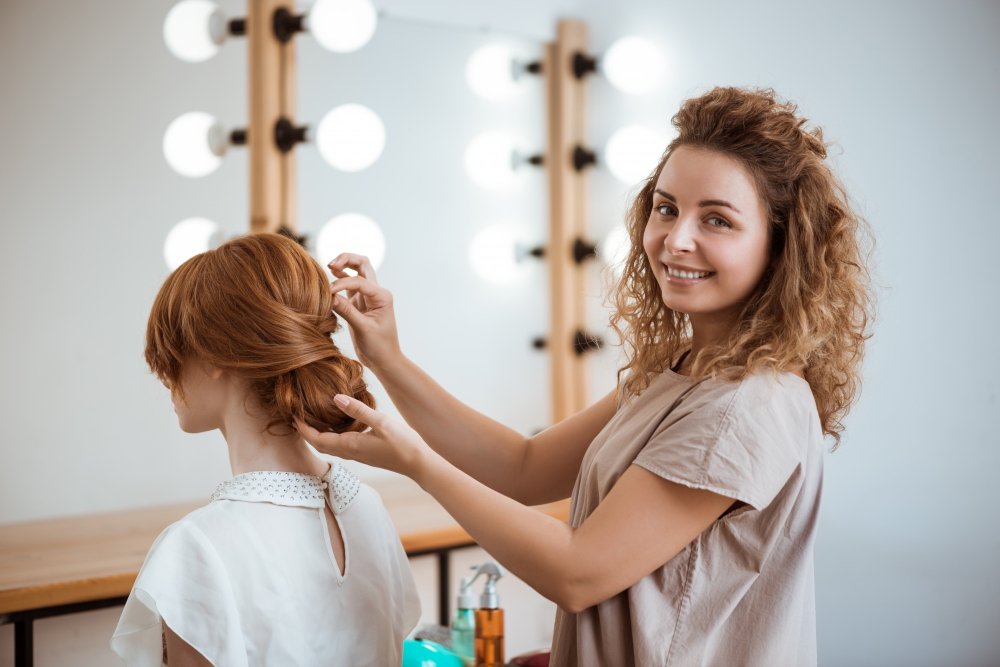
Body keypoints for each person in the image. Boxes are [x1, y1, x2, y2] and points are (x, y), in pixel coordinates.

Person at [297, 86, 873, 666]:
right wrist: (388, 358)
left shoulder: (745, 406)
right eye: (667, 208)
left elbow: (577, 573)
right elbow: (522, 469)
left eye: (717, 220)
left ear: (781, 248)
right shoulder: (678, 369)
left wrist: (413, 461)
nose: (675, 239)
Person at [111, 233, 420, 666]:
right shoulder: (368, 507)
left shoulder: (197, 547)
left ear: (213, 351)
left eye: (172, 348)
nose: (164, 372)